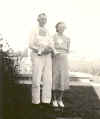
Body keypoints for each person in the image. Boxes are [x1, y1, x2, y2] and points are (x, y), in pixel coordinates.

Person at [29, 13, 54, 111]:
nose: (43, 21)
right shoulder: (33, 30)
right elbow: (30, 44)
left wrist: (50, 49)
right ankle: (36, 101)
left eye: (45, 19)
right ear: (38, 19)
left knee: (48, 79)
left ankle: (46, 101)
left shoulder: (48, 31)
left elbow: (51, 43)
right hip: (37, 55)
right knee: (36, 78)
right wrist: (40, 51)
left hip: (47, 56)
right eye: (42, 19)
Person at [52, 22, 70, 108]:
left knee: (63, 78)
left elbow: (67, 50)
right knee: (55, 77)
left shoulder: (67, 38)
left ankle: (60, 99)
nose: (62, 28)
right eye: (60, 27)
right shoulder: (53, 37)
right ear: (57, 28)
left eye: (63, 27)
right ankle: (54, 99)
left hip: (64, 60)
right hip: (55, 59)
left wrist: (63, 54)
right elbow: (51, 48)